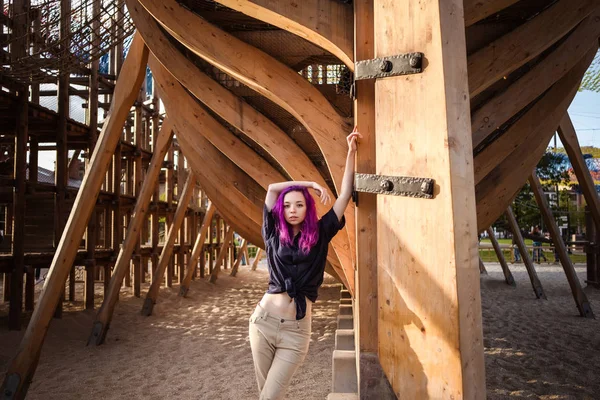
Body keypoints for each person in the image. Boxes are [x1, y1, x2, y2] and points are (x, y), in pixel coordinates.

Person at [248, 127, 361, 399]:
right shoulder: (272, 231)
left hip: (297, 332)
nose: (292, 210)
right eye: (287, 206)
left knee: (270, 396)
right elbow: (272, 189)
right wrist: (308, 184)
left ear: (307, 208)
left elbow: (344, 196)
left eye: (299, 204)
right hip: (263, 323)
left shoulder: (321, 232)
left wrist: (352, 153)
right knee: (267, 395)